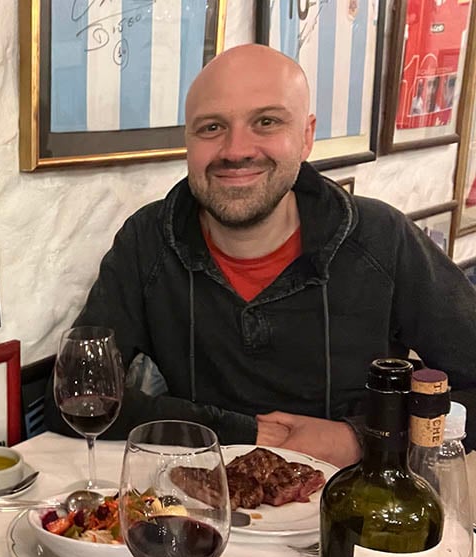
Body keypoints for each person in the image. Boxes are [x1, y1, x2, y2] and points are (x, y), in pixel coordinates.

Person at [46, 44, 476, 467]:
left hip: (355, 500)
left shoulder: (382, 239)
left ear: (306, 136)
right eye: (211, 127)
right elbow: (75, 396)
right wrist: (244, 432)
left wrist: (360, 437)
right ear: (187, 141)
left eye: (266, 122)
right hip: (195, 500)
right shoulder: (148, 241)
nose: (236, 150)